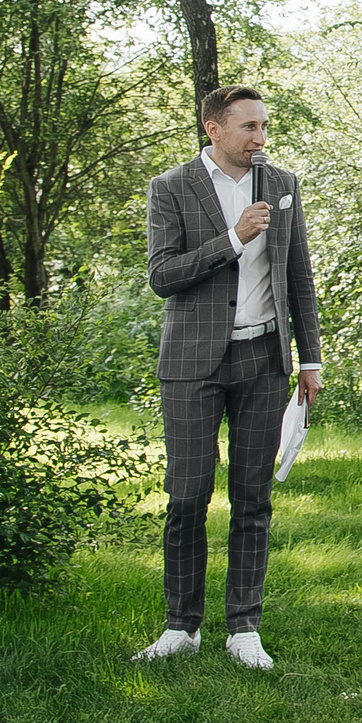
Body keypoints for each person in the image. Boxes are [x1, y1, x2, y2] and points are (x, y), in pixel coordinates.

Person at [132, 85, 322, 670]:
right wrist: (232, 240)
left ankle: (243, 628)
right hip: (192, 362)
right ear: (213, 129)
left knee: (252, 499)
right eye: (249, 127)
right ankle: (180, 627)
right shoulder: (171, 188)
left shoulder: (283, 186)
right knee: (188, 496)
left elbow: (299, 275)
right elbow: (163, 276)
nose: (260, 138)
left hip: (264, 359)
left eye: (264, 126)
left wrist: (309, 359)